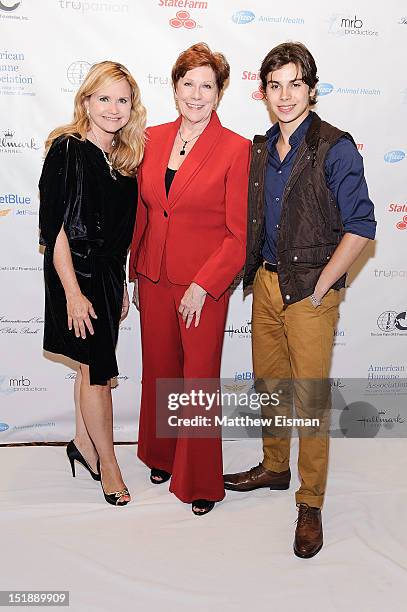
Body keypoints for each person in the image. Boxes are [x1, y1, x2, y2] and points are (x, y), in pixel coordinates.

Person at [223, 42, 376, 556]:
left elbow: (361, 226)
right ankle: (274, 467)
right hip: (265, 285)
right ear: (263, 91)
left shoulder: (336, 146)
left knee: (309, 402)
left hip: (310, 292)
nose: (284, 95)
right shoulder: (262, 146)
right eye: (275, 85)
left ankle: (310, 503)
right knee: (270, 385)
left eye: (294, 83)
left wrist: (323, 284)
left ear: (312, 88)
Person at [129, 43, 250, 516]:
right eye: (188, 84)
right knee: (160, 370)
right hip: (153, 275)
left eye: (207, 86)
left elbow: (240, 234)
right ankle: (160, 454)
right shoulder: (152, 137)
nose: (196, 95)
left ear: (220, 93)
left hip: (203, 284)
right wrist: (133, 270)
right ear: (174, 86)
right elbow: (144, 211)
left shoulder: (237, 149)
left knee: (197, 380)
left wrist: (205, 284)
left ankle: (199, 480)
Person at [39, 61, 145, 506]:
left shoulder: (124, 161)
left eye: (122, 99)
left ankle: (83, 445)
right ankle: (110, 466)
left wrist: (119, 285)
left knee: (89, 366)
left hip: (106, 274)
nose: (113, 108)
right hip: (74, 272)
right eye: (103, 98)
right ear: (86, 101)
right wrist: (74, 294)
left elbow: (121, 237)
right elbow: (54, 230)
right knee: (98, 373)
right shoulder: (68, 148)